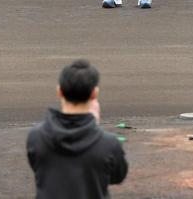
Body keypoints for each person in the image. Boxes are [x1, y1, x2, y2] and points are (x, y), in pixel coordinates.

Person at [26, 59, 128, 199]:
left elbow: (38, 169)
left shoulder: (36, 137)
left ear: (60, 91)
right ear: (94, 93)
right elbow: (117, 176)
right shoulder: (109, 143)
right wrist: (94, 129)